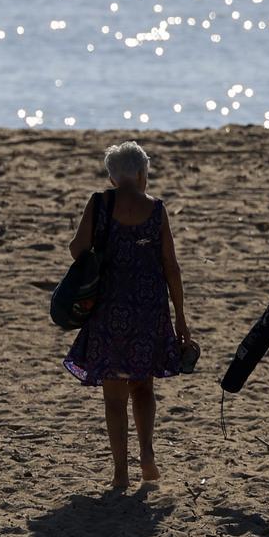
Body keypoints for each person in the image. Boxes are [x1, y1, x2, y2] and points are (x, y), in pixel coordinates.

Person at [63, 141, 191, 489]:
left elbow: (77, 250)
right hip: (149, 308)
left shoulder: (100, 202)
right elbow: (171, 266)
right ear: (141, 173)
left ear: (112, 176)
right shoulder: (157, 209)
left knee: (114, 396)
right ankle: (147, 456)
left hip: (109, 310)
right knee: (143, 387)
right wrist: (180, 317)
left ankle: (121, 472)